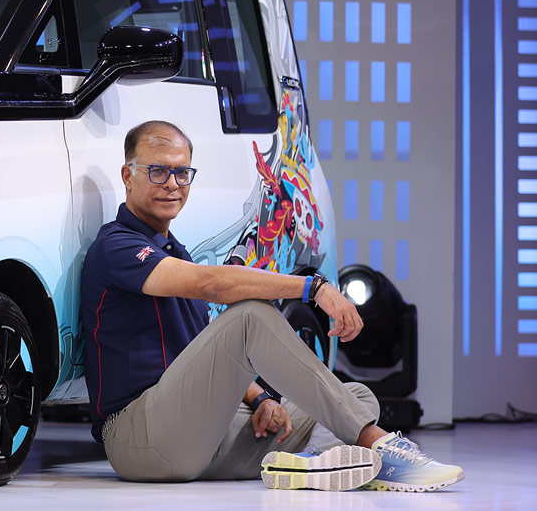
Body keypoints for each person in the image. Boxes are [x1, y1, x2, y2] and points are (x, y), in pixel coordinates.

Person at [80, 120, 463, 492]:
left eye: (182, 173)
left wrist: (260, 398)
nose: (172, 184)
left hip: (197, 438)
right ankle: (378, 447)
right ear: (128, 176)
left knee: (356, 398)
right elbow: (211, 284)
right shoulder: (116, 246)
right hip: (140, 438)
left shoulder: (176, 253)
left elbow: (199, 357)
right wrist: (313, 288)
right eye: (158, 171)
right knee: (251, 314)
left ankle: (311, 464)